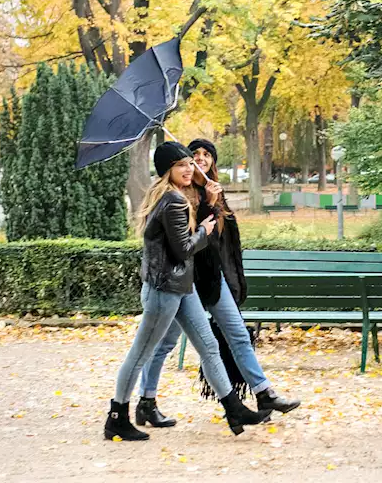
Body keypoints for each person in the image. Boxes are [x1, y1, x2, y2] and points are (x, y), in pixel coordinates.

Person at [104, 141, 271, 442]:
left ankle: (234, 408)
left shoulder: (172, 198)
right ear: (168, 170)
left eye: (189, 164)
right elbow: (183, 250)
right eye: (181, 165)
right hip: (165, 290)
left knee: (208, 345)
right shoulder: (173, 201)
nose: (189, 168)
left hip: (183, 286)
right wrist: (204, 232)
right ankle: (117, 416)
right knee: (141, 353)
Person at [133, 138, 300, 429]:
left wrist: (214, 203)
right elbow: (189, 241)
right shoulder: (176, 193)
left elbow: (225, 244)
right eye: (192, 155)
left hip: (211, 277)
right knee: (164, 344)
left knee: (237, 333)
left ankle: (264, 392)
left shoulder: (212, 190)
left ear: (212, 160)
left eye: (205, 155)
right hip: (183, 281)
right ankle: (146, 401)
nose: (199, 160)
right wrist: (209, 205)